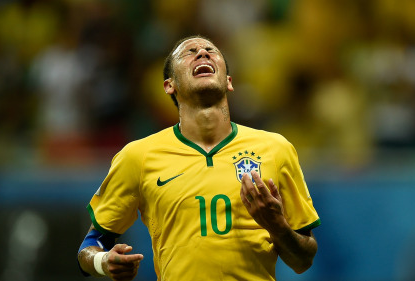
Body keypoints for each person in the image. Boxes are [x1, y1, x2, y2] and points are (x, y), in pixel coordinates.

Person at [77, 35, 321, 281]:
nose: (202, 53)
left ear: (228, 82)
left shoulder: (276, 149)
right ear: (169, 85)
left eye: (210, 50)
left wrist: (277, 225)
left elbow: (303, 260)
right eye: (189, 52)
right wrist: (103, 261)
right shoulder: (137, 156)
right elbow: (89, 247)